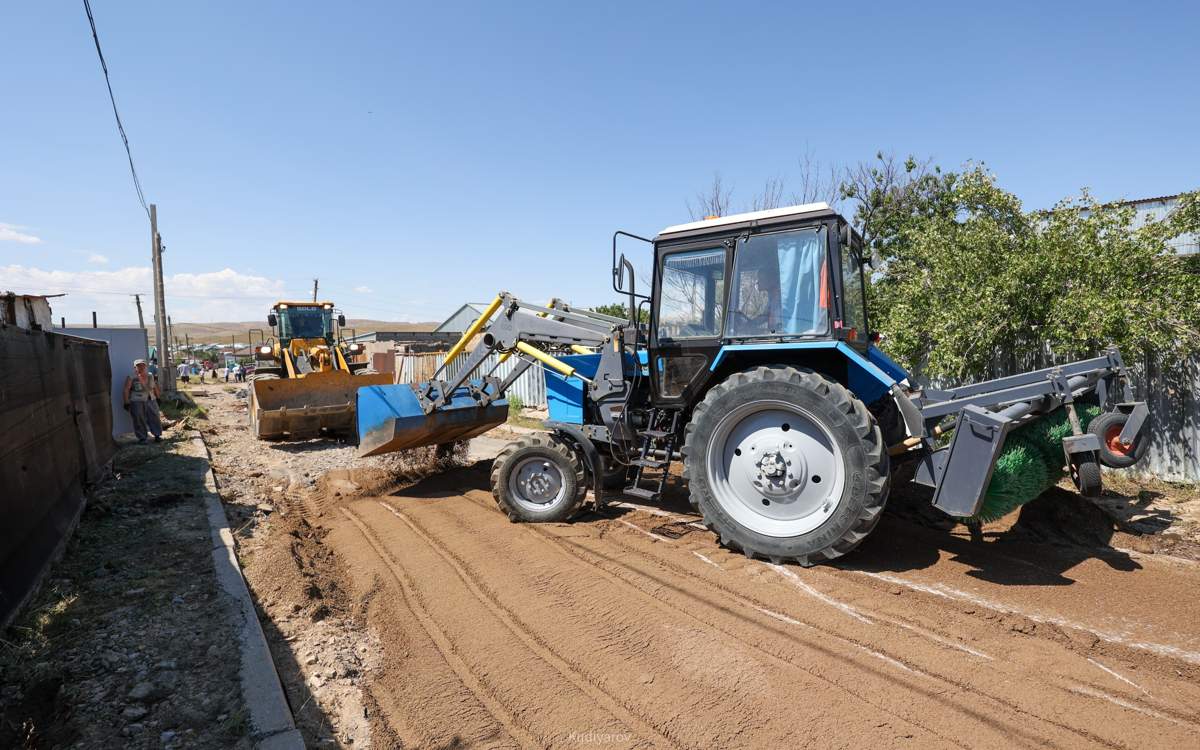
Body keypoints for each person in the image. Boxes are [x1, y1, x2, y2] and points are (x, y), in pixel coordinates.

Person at [123, 359, 163, 443]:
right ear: (135, 367)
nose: (141, 367)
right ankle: (142, 438)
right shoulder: (131, 377)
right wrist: (126, 402)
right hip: (137, 401)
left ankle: (157, 435)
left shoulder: (150, 375)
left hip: (151, 399)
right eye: (138, 365)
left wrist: (158, 397)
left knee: (154, 417)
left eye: (142, 365)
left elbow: (155, 387)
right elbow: (126, 389)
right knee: (138, 418)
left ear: (145, 366)